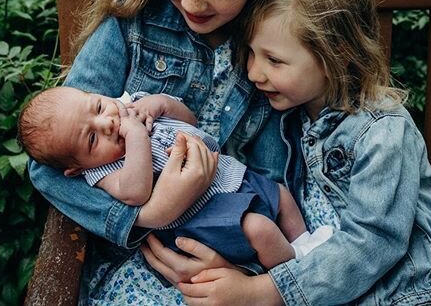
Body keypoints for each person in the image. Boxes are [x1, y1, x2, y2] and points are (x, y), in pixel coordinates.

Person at [27, 0, 295, 303]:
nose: (193, 0)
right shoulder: (131, 24)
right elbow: (49, 167)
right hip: (143, 258)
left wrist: (247, 274)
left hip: (240, 248)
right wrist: (147, 214)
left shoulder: (277, 44)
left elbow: (279, 174)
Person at [164, 0, 431, 304]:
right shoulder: (294, 115)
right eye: (251, 53)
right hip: (328, 289)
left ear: (335, 56)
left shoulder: (383, 133)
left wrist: (265, 291)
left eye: (274, 60)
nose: (254, 72)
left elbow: (374, 241)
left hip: (402, 295)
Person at [20, 87, 333, 270]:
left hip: (232, 177)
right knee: (260, 229)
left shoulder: (135, 105)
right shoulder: (103, 172)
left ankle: (304, 242)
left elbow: (190, 120)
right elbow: (137, 192)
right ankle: (292, 270)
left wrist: (161, 103)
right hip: (203, 215)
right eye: (91, 140)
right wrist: (135, 137)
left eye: (99, 106)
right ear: (76, 168)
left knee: (281, 195)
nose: (107, 123)